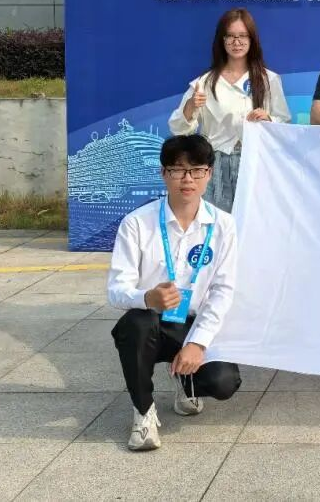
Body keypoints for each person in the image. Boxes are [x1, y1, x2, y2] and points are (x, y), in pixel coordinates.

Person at [108, 135, 242, 452]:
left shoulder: (223, 225)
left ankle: (186, 382)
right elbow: (116, 290)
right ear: (163, 173)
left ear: (209, 173)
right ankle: (144, 413)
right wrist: (147, 298)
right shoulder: (136, 223)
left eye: (196, 170)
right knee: (135, 325)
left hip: (193, 323)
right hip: (151, 323)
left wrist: (198, 343)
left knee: (223, 382)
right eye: (178, 170)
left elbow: (223, 291)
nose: (187, 179)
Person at [169, 8, 291, 212]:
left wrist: (269, 118)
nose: (237, 42)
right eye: (231, 36)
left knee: (254, 220)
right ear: (222, 40)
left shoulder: (268, 79)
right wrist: (190, 107)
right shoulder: (204, 82)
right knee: (216, 221)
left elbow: (284, 122)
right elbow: (178, 130)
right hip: (215, 164)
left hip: (255, 162)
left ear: (252, 40)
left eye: (243, 36)